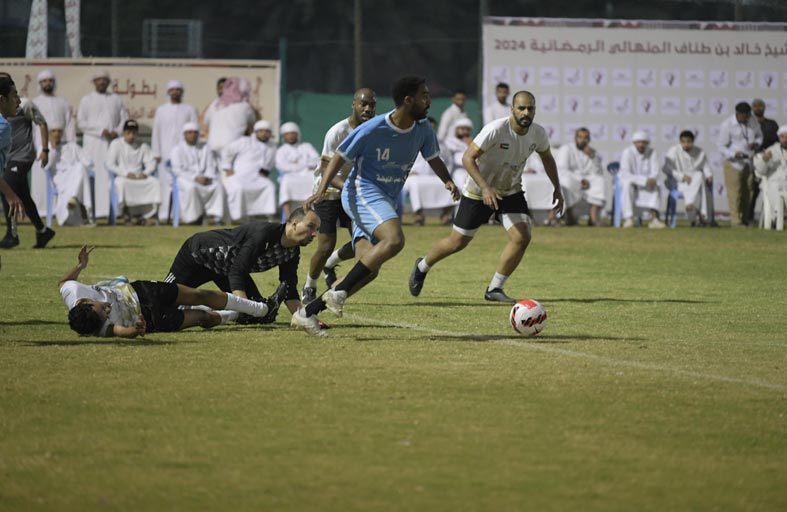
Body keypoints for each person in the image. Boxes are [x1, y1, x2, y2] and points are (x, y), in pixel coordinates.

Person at [296, 76, 460, 336]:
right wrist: (321, 189)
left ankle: (307, 313)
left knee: (368, 270)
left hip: (385, 198)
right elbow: (337, 157)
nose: (429, 101)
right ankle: (337, 292)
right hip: (361, 192)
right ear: (409, 100)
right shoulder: (373, 128)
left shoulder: (423, 129)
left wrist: (448, 180)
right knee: (394, 239)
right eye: (424, 95)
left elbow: (433, 157)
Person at [408, 90, 564, 304]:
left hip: (510, 190)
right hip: (478, 191)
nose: (526, 112)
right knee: (457, 242)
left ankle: (495, 288)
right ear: (512, 109)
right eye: (521, 108)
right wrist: (486, 188)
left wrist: (557, 188)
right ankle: (422, 266)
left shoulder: (538, 133)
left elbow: (547, 158)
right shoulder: (496, 129)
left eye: (530, 108)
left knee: (522, 237)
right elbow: (467, 158)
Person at [60, 246, 284, 338]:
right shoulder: (95, 326)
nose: (107, 311)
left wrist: (80, 266)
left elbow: (63, 282)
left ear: (87, 303)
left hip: (142, 291)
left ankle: (262, 309)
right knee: (202, 317)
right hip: (152, 318)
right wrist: (137, 329)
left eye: (102, 309)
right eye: (105, 316)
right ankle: (238, 314)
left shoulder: (72, 292)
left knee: (200, 295)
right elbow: (120, 331)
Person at [164, 208, 320, 322]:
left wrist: (307, 320)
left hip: (226, 270)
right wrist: (246, 308)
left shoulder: (292, 252)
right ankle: (192, 306)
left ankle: (203, 309)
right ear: (294, 223)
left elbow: (289, 290)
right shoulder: (264, 233)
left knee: (259, 316)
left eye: (317, 229)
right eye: (310, 226)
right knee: (163, 301)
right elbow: (237, 271)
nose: (314, 234)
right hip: (198, 256)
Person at [302, 88, 377, 304]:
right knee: (325, 245)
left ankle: (331, 263)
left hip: (353, 193)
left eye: (371, 105)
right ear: (353, 105)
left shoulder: (374, 130)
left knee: (363, 242)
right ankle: (309, 285)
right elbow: (327, 168)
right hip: (328, 192)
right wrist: (346, 187)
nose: (367, 109)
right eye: (363, 104)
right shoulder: (337, 132)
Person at [0, 72, 54, 249]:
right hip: (8, 158)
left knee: (8, 189)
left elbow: (42, 123)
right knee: (22, 196)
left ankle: (12, 234)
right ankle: (42, 230)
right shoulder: (3, 120)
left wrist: (45, 149)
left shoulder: (23, 105)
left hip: (22, 156)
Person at [77, 70, 128, 219]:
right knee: (94, 178)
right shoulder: (86, 100)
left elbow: (124, 119)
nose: (102, 82)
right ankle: (92, 212)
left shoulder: (116, 99)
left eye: (105, 80)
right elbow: (81, 122)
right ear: (94, 82)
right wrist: (100, 131)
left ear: (108, 82)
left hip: (112, 144)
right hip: (93, 145)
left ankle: (113, 212)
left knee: (110, 178)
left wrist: (116, 131)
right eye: (99, 80)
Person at [151, 80, 199, 223]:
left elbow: (195, 129)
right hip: (165, 152)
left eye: (178, 89)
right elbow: (156, 132)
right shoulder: (161, 110)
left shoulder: (189, 109)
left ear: (182, 92)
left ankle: (184, 214)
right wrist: (156, 152)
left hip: (185, 154)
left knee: (185, 183)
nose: (175, 92)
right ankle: (165, 214)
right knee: (166, 185)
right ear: (168, 92)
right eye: (172, 90)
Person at [31, 70, 76, 213]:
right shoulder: (35, 103)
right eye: (44, 81)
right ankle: (41, 210)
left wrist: (69, 143)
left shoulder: (62, 102)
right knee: (41, 178)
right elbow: (33, 127)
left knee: (62, 176)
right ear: (40, 84)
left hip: (62, 146)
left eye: (50, 80)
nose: (48, 83)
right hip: (42, 146)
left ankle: (60, 209)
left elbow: (69, 124)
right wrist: (39, 146)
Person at [404, 116, 458, 226]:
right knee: (415, 184)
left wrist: (445, 176)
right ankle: (419, 216)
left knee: (455, 186)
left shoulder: (442, 146)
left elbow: (448, 163)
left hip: (435, 177)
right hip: (413, 177)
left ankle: (445, 216)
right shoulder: (409, 142)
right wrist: (409, 172)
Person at [221, 119, 278, 222]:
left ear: (270, 133)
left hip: (258, 178)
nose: (264, 133)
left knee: (269, 186)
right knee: (238, 189)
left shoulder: (272, 146)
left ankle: (266, 217)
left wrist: (266, 170)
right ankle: (237, 218)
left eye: (267, 131)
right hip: (239, 176)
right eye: (261, 131)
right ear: (256, 132)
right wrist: (228, 168)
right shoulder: (244, 141)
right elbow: (227, 152)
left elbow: (271, 162)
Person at [105, 119, 160, 225]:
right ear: (123, 133)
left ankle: (143, 215)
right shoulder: (116, 144)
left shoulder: (142, 146)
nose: (131, 136)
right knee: (122, 184)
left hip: (139, 177)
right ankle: (126, 214)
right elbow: (109, 164)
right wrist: (125, 174)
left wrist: (145, 173)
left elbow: (151, 162)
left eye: (134, 133)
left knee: (154, 182)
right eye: (128, 133)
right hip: (123, 177)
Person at [169, 122, 225, 225]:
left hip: (204, 178)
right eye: (189, 133)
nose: (192, 135)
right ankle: (193, 219)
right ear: (184, 135)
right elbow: (177, 170)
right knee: (191, 188)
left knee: (218, 185)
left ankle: (215, 216)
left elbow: (210, 166)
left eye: (195, 133)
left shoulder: (205, 147)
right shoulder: (177, 149)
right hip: (185, 178)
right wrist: (195, 177)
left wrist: (207, 177)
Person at [717, 102, 762, 227]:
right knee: (735, 193)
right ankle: (736, 221)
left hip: (749, 162)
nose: (746, 118)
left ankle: (745, 219)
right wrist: (734, 154)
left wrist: (756, 144)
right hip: (733, 163)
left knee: (748, 192)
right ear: (738, 114)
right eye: (744, 116)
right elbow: (720, 146)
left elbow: (760, 136)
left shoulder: (752, 121)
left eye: (748, 115)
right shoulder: (727, 125)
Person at [555, 127, 605, 226]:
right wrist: (580, 180)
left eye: (585, 138)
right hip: (571, 179)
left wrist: (592, 157)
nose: (583, 140)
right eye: (580, 137)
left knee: (599, 181)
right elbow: (561, 170)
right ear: (575, 138)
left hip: (587, 181)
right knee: (566, 181)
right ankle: (570, 217)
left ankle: (593, 218)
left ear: (589, 140)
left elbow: (598, 172)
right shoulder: (566, 149)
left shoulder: (592, 152)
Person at [45, 125, 94, 226]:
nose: (56, 134)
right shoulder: (46, 148)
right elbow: (46, 166)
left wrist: (83, 165)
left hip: (75, 177)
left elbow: (88, 161)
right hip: (59, 179)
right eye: (54, 131)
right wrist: (53, 149)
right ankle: (84, 213)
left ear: (62, 133)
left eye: (59, 131)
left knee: (80, 166)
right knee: (81, 174)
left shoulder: (71, 146)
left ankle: (74, 197)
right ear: (49, 133)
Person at [662, 130, 714, 226]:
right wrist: (682, 176)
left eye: (689, 142)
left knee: (699, 175)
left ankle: (691, 207)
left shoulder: (700, 152)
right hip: (678, 183)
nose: (686, 144)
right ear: (680, 141)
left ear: (693, 141)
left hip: (694, 183)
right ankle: (702, 217)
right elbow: (666, 168)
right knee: (701, 187)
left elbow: (706, 166)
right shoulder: (673, 151)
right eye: (683, 142)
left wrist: (709, 175)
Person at [618, 131, 666, 229]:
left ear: (647, 143)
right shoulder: (627, 152)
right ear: (634, 143)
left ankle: (654, 219)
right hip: (631, 181)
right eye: (638, 142)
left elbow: (655, 171)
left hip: (647, 183)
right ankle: (629, 219)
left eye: (644, 142)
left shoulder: (652, 152)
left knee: (656, 184)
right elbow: (625, 174)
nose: (641, 145)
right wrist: (644, 180)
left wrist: (651, 179)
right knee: (627, 185)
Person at [275, 122, 320, 219]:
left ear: (297, 134)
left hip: (308, 175)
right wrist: (305, 164)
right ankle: (288, 218)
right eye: (287, 134)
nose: (290, 136)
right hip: (290, 176)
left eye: (293, 133)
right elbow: (283, 166)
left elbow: (316, 160)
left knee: (315, 180)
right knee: (286, 181)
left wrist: (297, 165)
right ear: (284, 136)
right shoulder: (281, 150)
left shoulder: (306, 146)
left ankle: (312, 215)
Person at [206, 77, 256, 157]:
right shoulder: (245, 106)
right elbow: (252, 122)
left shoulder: (215, 104)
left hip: (212, 145)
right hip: (232, 147)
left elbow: (207, 121)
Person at [749, 98, 780, 223]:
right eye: (755, 105)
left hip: (770, 161)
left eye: (760, 105)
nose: (758, 108)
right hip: (752, 161)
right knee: (752, 190)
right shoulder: (748, 124)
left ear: (764, 107)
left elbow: (778, 141)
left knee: (773, 188)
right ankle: (748, 217)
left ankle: (775, 216)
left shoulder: (772, 124)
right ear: (752, 108)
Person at [0, 75, 24, 224]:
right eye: (14, 96)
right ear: (2, 100)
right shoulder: (3, 126)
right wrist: (10, 194)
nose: (19, 101)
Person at [753, 125, 787, 226]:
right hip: (774, 182)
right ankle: (776, 217)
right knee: (775, 187)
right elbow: (760, 171)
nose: (785, 140)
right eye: (783, 137)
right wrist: (764, 160)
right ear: (779, 137)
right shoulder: (772, 150)